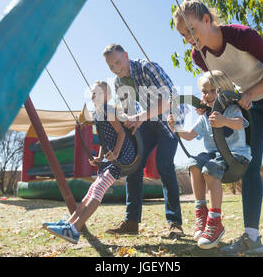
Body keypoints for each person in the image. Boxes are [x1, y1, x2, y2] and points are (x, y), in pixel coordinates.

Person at [173, 0, 263, 257]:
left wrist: (250, 92)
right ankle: (252, 237)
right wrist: (209, 104)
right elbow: (219, 85)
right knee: (250, 164)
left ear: (207, 19)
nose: (188, 38)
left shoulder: (241, 36)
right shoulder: (199, 56)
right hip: (249, 105)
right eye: (183, 35)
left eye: (191, 30)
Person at [102, 43, 187, 238]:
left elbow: (168, 99)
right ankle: (131, 222)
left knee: (164, 165)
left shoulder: (147, 67)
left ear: (126, 55)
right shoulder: (118, 83)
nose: (116, 68)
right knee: (134, 163)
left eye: (117, 62)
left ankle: (175, 223)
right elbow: (130, 112)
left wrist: (139, 118)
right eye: (111, 66)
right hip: (147, 120)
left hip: (170, 117)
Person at [43, 81, 136, 244]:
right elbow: (104, 141)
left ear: (106, 96)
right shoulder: (98, 114)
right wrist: (100, 158)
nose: (93, 96)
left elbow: (121, 133)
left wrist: (115, 153)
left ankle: (74, 229)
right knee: (92, 189)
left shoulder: (108, 110)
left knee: (98, 189)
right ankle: (70, 223)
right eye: (92, 94)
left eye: (97, 93)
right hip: (112, 158)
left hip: (122, 156)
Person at [167, 71, 251, 249]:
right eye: (205, 92)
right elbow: (189, 135)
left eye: (213, 91)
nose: (208, 95)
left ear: (223, 91)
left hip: (235, 155)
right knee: (194, 164)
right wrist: (175, 127)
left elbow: (238, 123)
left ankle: (215, 221)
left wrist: (223, 120)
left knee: (210, 168)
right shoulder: (204, 116)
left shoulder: (232, 109)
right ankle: (201, 213)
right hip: (214, 155)